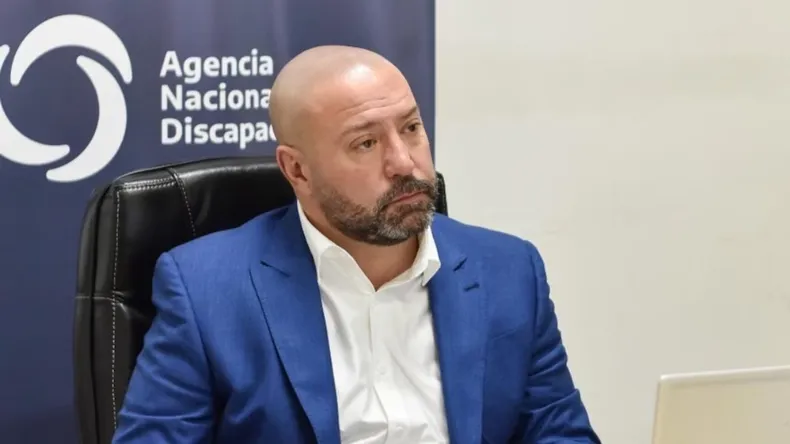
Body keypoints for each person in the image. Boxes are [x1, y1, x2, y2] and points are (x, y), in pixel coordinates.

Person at [112, 45, 600, 444]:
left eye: (411, 128)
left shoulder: (509, 270)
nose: (404, 163)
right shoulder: (206, 290)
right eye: (365, 143)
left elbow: (560, 434)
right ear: (297, 170)